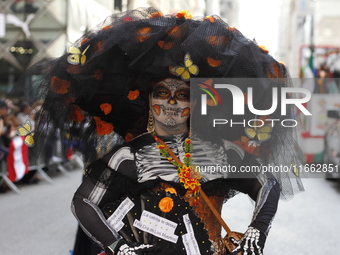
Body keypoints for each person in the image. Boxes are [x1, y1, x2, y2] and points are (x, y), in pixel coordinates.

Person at [20, 8, 304, 255]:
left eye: (180, 94)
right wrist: (118, 247)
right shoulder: (128, 156)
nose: (170, 102)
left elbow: (267, 182)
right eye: (161, 93)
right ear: (150, 101)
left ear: (193, 103)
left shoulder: (221, 150)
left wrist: (258, 228)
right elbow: (84, 202)